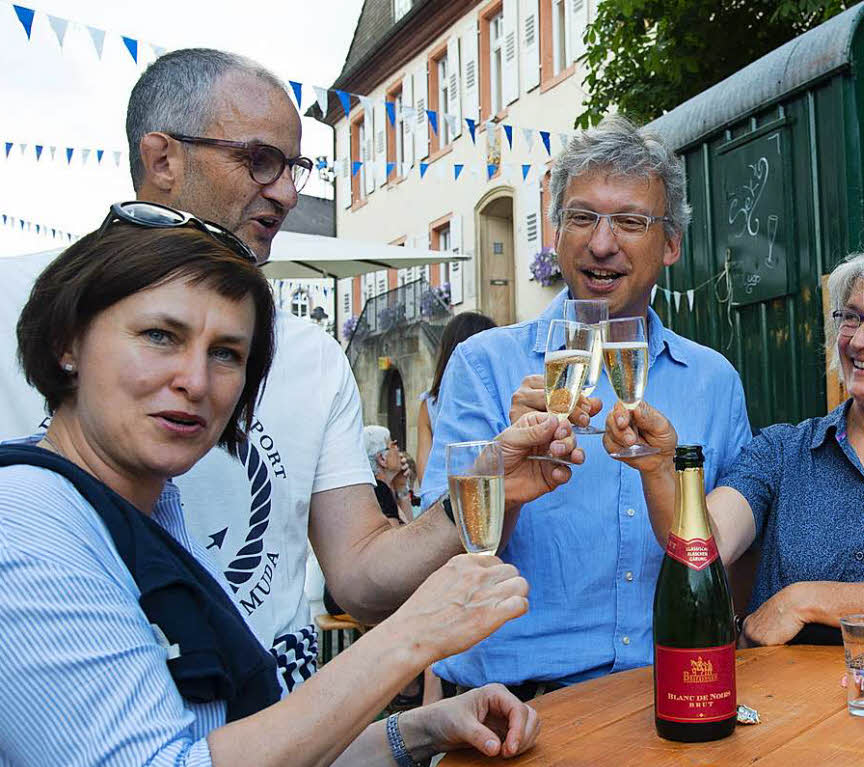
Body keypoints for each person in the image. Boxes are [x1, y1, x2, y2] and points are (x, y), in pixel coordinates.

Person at [0, 48, 580, 691]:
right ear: (162, 159)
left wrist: (490, 481)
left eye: (294, 165)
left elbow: (362, 577)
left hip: (281, 709)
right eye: (259, 160)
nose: (286, 191)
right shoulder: (18, 301)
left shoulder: (308, 353)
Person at [0, 214, 541, 766]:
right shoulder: (25, 521)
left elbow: (222, 746)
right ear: (67, 344)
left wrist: (419, 729)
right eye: (160, 336)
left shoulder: (150, 506)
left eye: (226, 353)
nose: (195, 380)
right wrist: (410, 637)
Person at [420, 115, 752, 696]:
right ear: (555, 233)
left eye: (629, 221)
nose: (602, 243)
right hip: (514, 713)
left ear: (671, 244)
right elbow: (436, 566)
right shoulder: (483, 366)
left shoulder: (713, 381)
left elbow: (732, 567)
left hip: (671, 698)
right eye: (582, 218)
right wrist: (505, 469)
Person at [605, 232, 864, 645]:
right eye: (851, 318)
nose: (860, 340)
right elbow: (706, 548)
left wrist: (804, 600)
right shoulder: (780, 452)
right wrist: (656, 468)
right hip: (783, 704)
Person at [417, 311, 497, 482]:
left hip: (452, 494)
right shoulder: (501, 396)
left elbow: (425, 475)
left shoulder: (430, 404)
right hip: (496, 488)